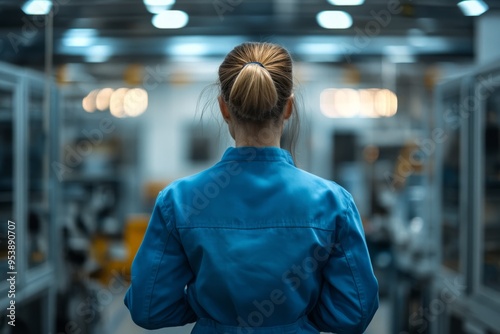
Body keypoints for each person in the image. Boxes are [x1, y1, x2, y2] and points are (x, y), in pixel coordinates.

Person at [124, 42, 379, 334]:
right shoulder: (333, 203)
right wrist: (296, 318)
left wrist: (206, 307)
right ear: (289, 108)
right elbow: (355, 311)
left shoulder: (178, 201)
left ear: (223, 108)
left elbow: (148, 308)